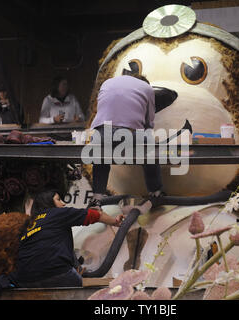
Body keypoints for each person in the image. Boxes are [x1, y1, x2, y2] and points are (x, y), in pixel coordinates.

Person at [8, 190, 124, 288]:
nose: (63, 203)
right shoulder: (57, 213)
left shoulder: (29, 223)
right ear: (48, 202)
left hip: (24, 280)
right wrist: (116, 222)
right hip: (58, 275)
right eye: (58, 199)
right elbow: (95, 214)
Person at [89, 74, 164, 207]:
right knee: (150, 153)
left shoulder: (108, 82)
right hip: (130, 134)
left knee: (101, 159)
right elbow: (149, 122)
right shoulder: (147, 88)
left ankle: (97, 197)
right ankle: (156, 192)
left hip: (100, 134)